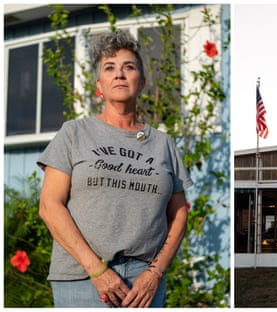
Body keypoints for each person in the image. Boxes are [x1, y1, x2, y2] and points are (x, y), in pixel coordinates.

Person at [37, 29, 192, 308]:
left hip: (144, 283)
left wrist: (156, 272)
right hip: (82, 279)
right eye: (110, 68)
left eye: (128, 67)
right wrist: (97, 270)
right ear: (100, 85)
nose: (119, 74)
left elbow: (179, 212)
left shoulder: (163, 144)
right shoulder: (74, 133)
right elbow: (49, 205)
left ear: (141, 82)